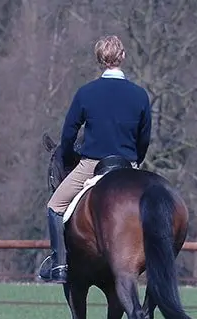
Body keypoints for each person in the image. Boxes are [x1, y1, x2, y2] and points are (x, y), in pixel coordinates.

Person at [42, 35, 152, 284]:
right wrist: (136, 161)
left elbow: (68, 133)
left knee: (54, 206)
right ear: (122, 56)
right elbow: (144, 137)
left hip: (93, 164)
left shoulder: (86, 93)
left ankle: (59, 264)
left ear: (99, 60)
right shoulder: (139, 95)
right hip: (128, 165)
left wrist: (70, 156)